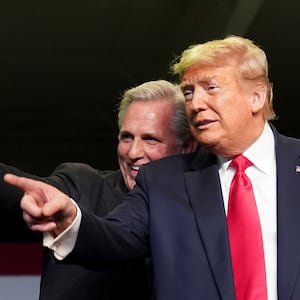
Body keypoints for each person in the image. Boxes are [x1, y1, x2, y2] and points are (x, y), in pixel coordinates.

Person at [6, 35, 296, 299]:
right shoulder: (163, 181)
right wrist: (71, 221)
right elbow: (114, 238)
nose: (195, 104)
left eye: (211, 88)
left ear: (256, 97)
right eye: (189, 92)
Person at [0, 79, 196, 300]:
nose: (133, 152)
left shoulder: (205, 211)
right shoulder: (82, 185)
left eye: (150, 139)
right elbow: (18, 191)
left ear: (186, 146)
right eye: (126, 137)